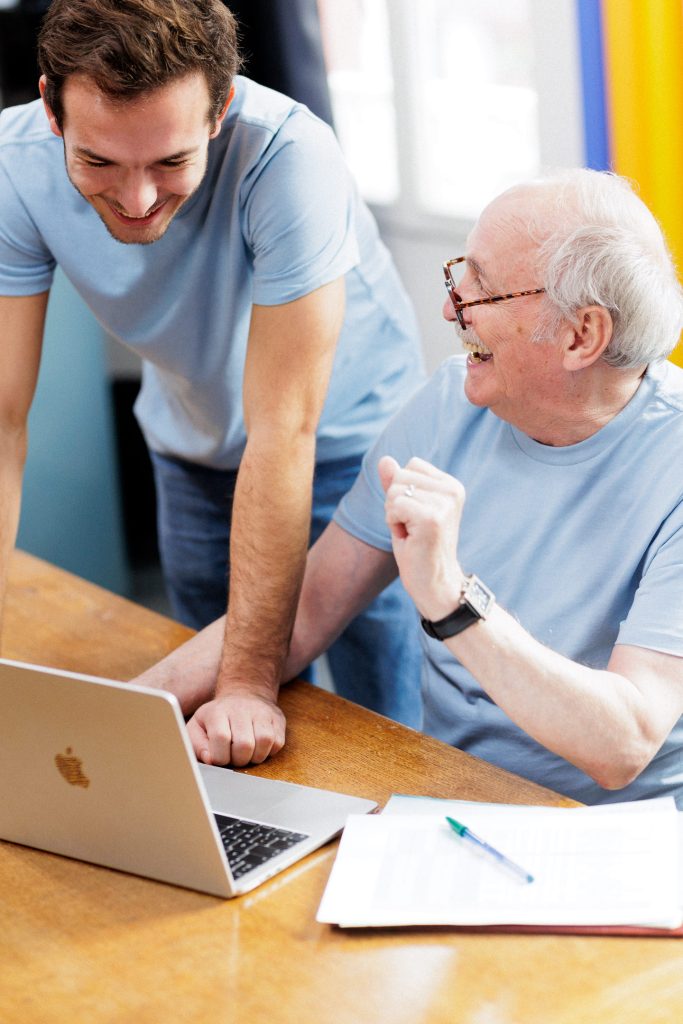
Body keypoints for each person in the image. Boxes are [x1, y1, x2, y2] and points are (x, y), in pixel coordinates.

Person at [138, 168, 683, 807]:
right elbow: (309, 603)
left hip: (607, 841)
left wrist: (452, 599)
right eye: (459, 277)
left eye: (481, 292)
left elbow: (623, 744)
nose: (451, 309)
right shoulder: (448, 403)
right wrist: (126, 709)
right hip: (451, 805)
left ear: (580, 335)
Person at [0, 0, 425, 727]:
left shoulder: (291, 157)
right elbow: (2, 416)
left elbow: (285, 428)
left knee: (368, 715)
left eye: (171, 161)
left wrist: (248, 686)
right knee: (200, 725)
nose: (135, 198)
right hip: (192, 429)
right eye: (97, 160)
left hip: (348, 438)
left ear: (220, 109)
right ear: (50, 109)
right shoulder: (13, 167)